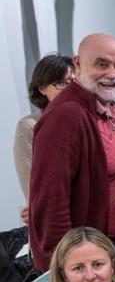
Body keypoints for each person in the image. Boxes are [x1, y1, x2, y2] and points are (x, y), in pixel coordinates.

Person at [29, 34, 115, 271]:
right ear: (78, 64)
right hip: (86, 263)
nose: (112, 74)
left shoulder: (107, 108)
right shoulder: (67, 114)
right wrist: (64, 266)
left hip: (113, 252)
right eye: (102, 64)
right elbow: (50, 198)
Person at [14, 54, 74, 199]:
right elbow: (31, 186)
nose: (69, 89)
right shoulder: (30, 126)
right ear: (42, 88)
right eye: (61, 83)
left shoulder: (88, 121)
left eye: (73, 83)